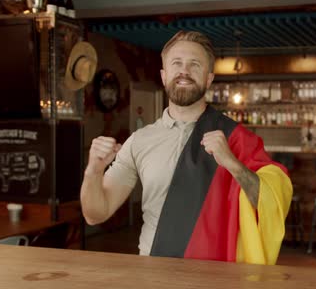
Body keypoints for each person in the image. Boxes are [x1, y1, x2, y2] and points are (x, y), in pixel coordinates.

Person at [80, 30, 293, 265]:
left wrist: (233, 164)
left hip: (216, 274)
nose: (184, 71)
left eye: (195, 65)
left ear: (209, 78)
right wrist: (93, 171)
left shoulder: (236, 138)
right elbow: (95, 214)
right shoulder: (139, 141)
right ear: (163, 75)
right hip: (153, 270)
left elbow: (273, 206)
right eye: (177, 63)